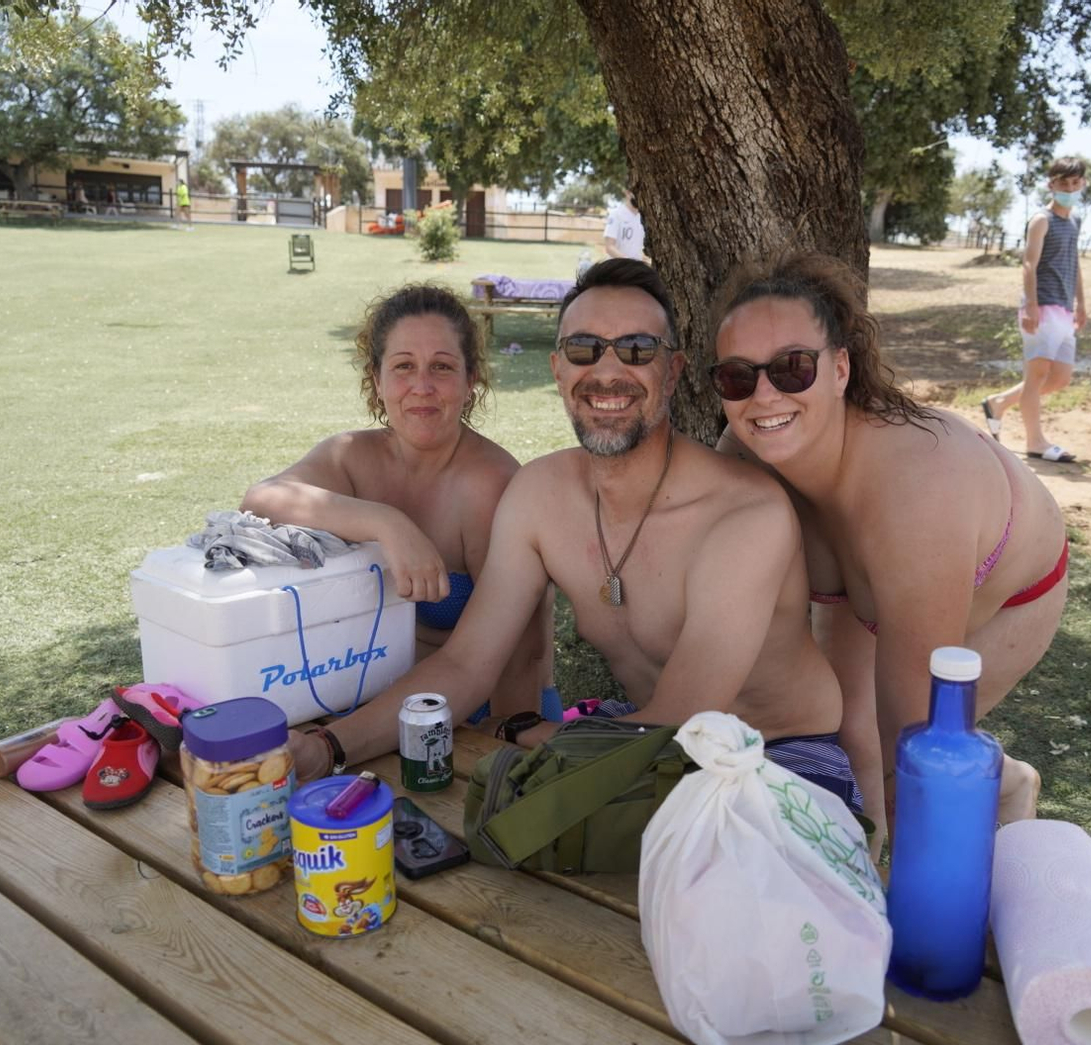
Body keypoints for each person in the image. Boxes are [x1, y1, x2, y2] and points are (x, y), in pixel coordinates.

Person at [286, 259, 866, 820]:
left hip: (776, 755)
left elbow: (680, 720)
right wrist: (326, 748)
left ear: (673, 371)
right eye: (585, 349)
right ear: (559, 369)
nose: (608, 372)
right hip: (632, 741)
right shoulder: (539, 494)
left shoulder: (745, 515)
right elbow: (465, 665)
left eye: (637, 350)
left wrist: (531, 730)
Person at [711, 250, 1067, 832]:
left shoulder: (915, 494)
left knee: (917, 751)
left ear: (842, 369)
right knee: (848, 735)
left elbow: (913, 742)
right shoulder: (744, 452)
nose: (765, 395)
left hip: (1011, 590)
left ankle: (1006, 782)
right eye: (737, 375)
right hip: (871, 584)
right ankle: (863, 860)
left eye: (793, 367)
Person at [242, 284, 552, 723]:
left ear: (471, 380)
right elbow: (260, 500)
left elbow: (523, 656)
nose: (422, 386)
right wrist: (385, 522)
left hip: (481, 712)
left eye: (442, 367)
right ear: (377, 378)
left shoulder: (491, 485)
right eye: (404, 366)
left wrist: (505, 755)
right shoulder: (350, 457)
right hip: (371, 701)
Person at [982, 157, 1089, 463]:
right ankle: (1036, 443)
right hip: (1041, 306)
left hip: (1065, 309)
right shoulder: (1041, 220)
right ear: (1051, 184)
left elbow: (1075, 262)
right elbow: (1029, 263)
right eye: (1062, 183)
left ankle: (999, 403)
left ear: (1082, 184)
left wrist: (1081, 302)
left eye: (1074, 183)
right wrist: (1031, 305)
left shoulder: (1074, 221)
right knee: (1038, 374)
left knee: (1060, 378)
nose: (1069, 188)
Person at [602, 189, 648, 263]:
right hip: (617, 268)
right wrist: (629, 262)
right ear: (627, 192)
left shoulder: (642, 217)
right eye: (635, 193)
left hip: (636, 269)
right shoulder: (616, 214)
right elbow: (609, 247)